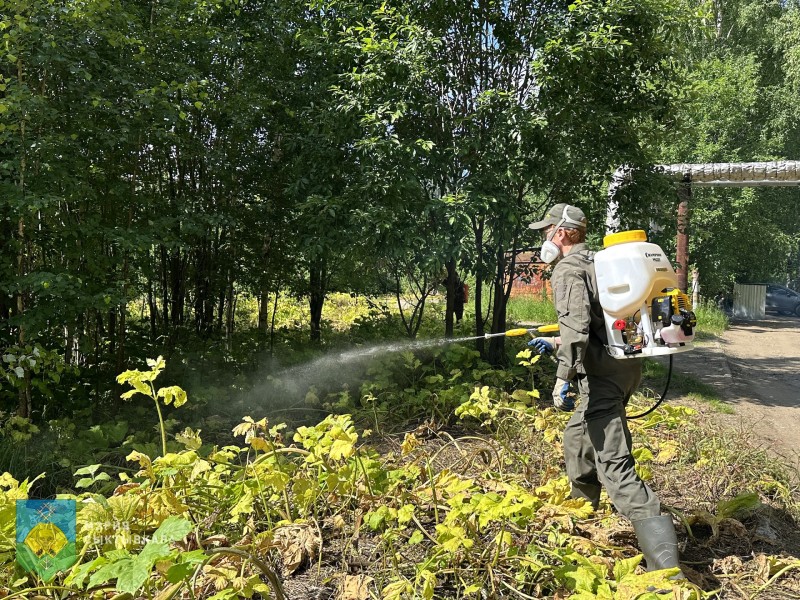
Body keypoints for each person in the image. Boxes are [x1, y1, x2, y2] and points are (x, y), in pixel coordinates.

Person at [527, 203, 684, 577]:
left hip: (602, 378)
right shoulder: (597, 263)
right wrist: (556, 344)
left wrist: (563, 376)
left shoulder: (567, 268)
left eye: (544, 231)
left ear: (562, 233)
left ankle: (668, 571)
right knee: (577, 440)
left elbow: (578, 329)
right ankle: (585, 518)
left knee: (613, 464)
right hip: (625, 368)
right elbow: (597, 323)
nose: (541, 238)